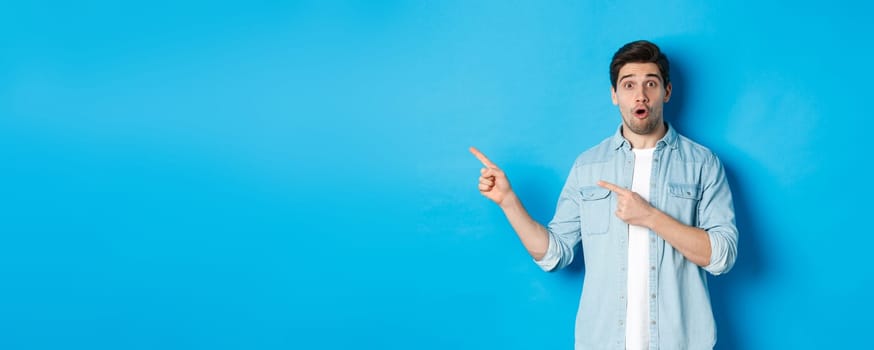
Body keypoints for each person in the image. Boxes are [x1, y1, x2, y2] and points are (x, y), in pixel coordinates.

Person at [470, 40, 738, 349]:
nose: (640, 94)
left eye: (651, 83)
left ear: (666, 91)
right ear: (614, 95)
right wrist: (508, 202)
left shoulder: (702, 163)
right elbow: (554, 254)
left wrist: (651, 217)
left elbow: (722, 255)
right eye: (628, 85)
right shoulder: (588, 166)